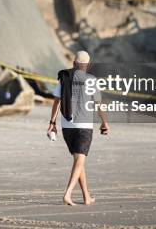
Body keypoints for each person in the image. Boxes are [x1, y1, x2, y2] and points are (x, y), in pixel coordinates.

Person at [47, 51, 109, 206]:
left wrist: (52, 123)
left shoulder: (64, 78)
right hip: (84, 126)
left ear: (74, 63)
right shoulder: (91, 80)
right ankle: (67, 194)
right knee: (80, 161)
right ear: (87, 65)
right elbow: (98, 104)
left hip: (66, 126)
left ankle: (86, 197)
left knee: (78, 161)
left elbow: (56, 102)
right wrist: (105, 122)